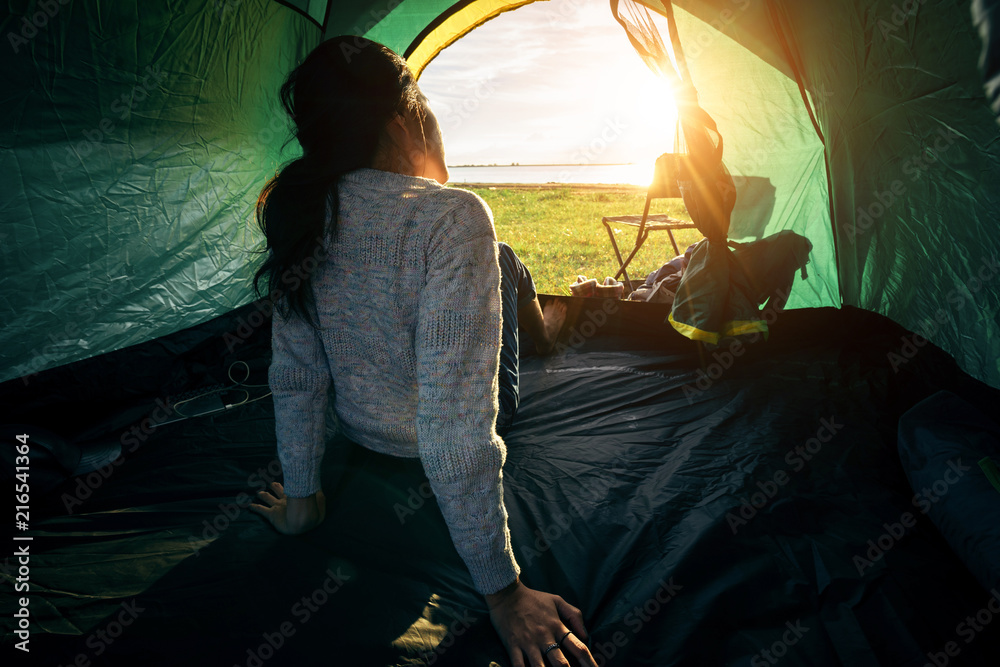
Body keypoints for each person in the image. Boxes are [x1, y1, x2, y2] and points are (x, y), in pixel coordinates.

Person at [247, 36, 595, 667]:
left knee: (500, 262)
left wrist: (303, 498)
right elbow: (457, 423)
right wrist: (503, 592)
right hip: (436, 437)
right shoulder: (453, 217)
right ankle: (547, 324)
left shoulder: (301, 213)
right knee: (506, 260)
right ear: (405, 119)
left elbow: (297, 375)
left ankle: (542, 314)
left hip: (358, 435)